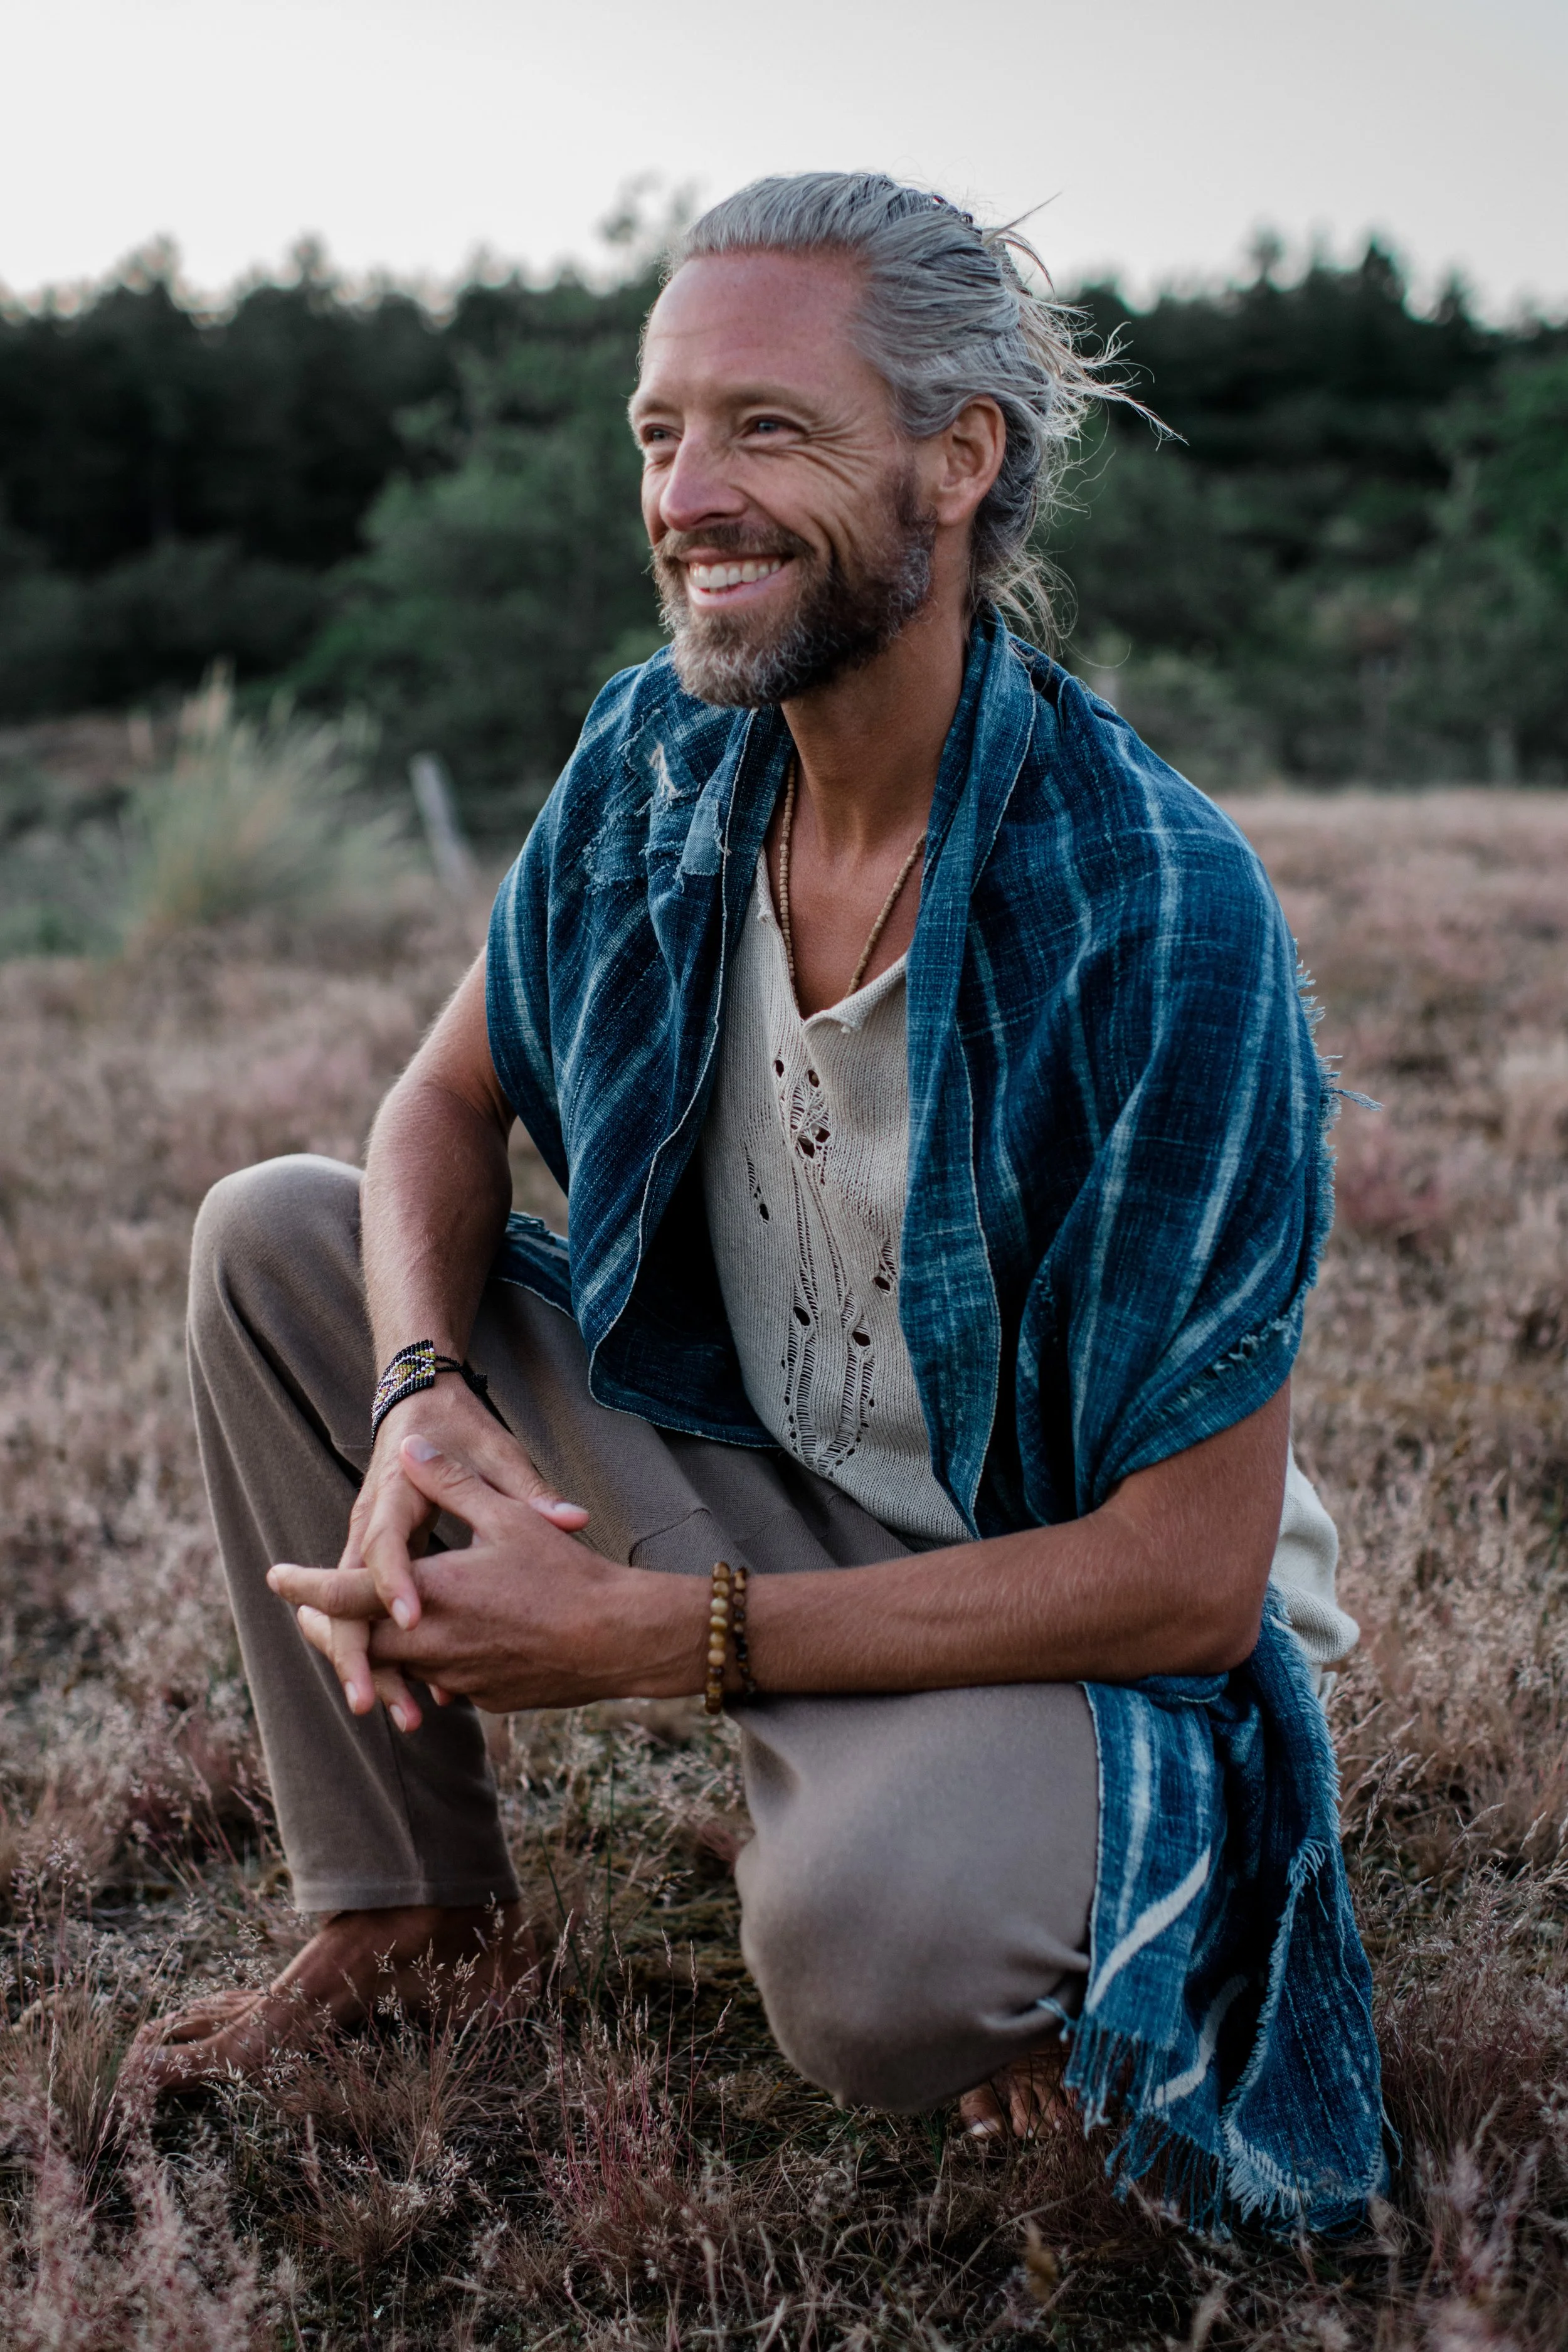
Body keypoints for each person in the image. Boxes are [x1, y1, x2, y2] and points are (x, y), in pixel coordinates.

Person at [132, 174, 1382, 2231]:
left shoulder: (1153, 905)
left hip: (1068, 1618)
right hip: (761, 1452)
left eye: (769, 429)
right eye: (657, 432)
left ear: (957, 460)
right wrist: (429, 1389)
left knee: (874, 1964)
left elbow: (1185, 1576)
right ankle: (413, 1910)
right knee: (279, 1231)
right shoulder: (656, 757)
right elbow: (446, 1098)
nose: (688, 494)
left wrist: (653, 1637)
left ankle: (1002, 1874)